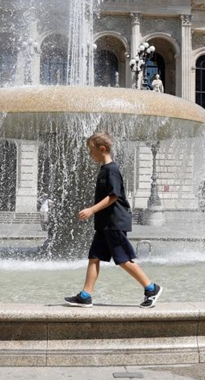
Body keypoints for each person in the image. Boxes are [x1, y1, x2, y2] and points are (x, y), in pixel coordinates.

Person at [64, 132, 163, 309]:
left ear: (102, 149)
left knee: (123, 260)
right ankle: (85, 296)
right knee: (94, 257)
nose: (90, 154)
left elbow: (113, 196)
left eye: (91, 150)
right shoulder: (105, 169)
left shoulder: (112, 170)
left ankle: (151, 288)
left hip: (114, 222)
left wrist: (91, 210)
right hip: (105, 224)